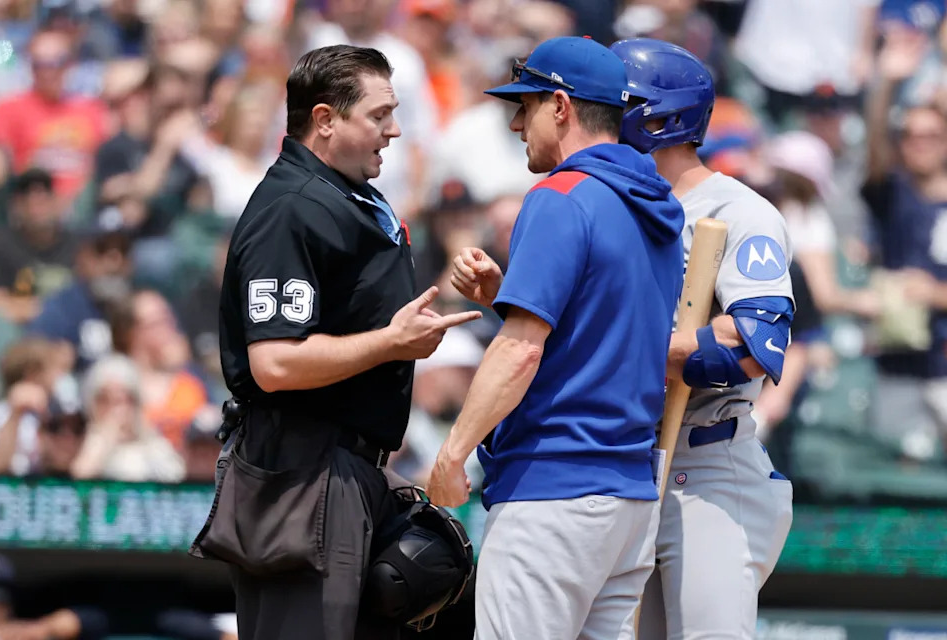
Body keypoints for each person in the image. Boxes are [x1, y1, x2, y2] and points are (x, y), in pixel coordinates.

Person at [188, 44, 480, 640]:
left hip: (347, 469)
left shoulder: (349, 196)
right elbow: (274, 363)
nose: (395, 130)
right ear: (324, 120)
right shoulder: (291, 209)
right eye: (378, 115)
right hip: (300, 474)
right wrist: (393, 342)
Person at [428, 36, 686, 639]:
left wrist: (451, 454)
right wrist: (505, 296)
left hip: (555, 486)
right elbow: (600, 328)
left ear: (562, 107)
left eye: (528, 104)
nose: (517, 122)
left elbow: (521, 349)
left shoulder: (560, 195)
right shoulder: (657, 206)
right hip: (627, 497)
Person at [608, 38, 795, 639]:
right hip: (625, 458)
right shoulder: (611, 204)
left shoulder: (741, 212)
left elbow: (749, 345)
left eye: (615, 104)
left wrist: (628, 352)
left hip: (709, 465)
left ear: (661, 117)